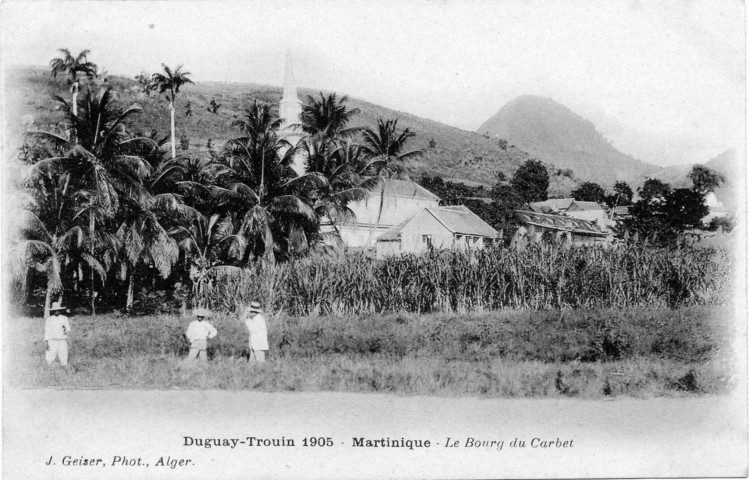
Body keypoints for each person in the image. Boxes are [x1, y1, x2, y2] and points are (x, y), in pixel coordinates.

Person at [44, 301, 71, 366]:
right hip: (52, 340)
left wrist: (65, 330)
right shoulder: (49, 319)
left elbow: (68, 329)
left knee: (63, 355)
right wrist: (47, 342)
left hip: (61, 340)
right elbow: (47, 331)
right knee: (50, 356)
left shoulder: (64, 318)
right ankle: (49, 368)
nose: (57, 311)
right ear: (53, 311)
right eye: (55, 310)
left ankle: (64, 367)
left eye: (58, 310)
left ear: (60, 310)